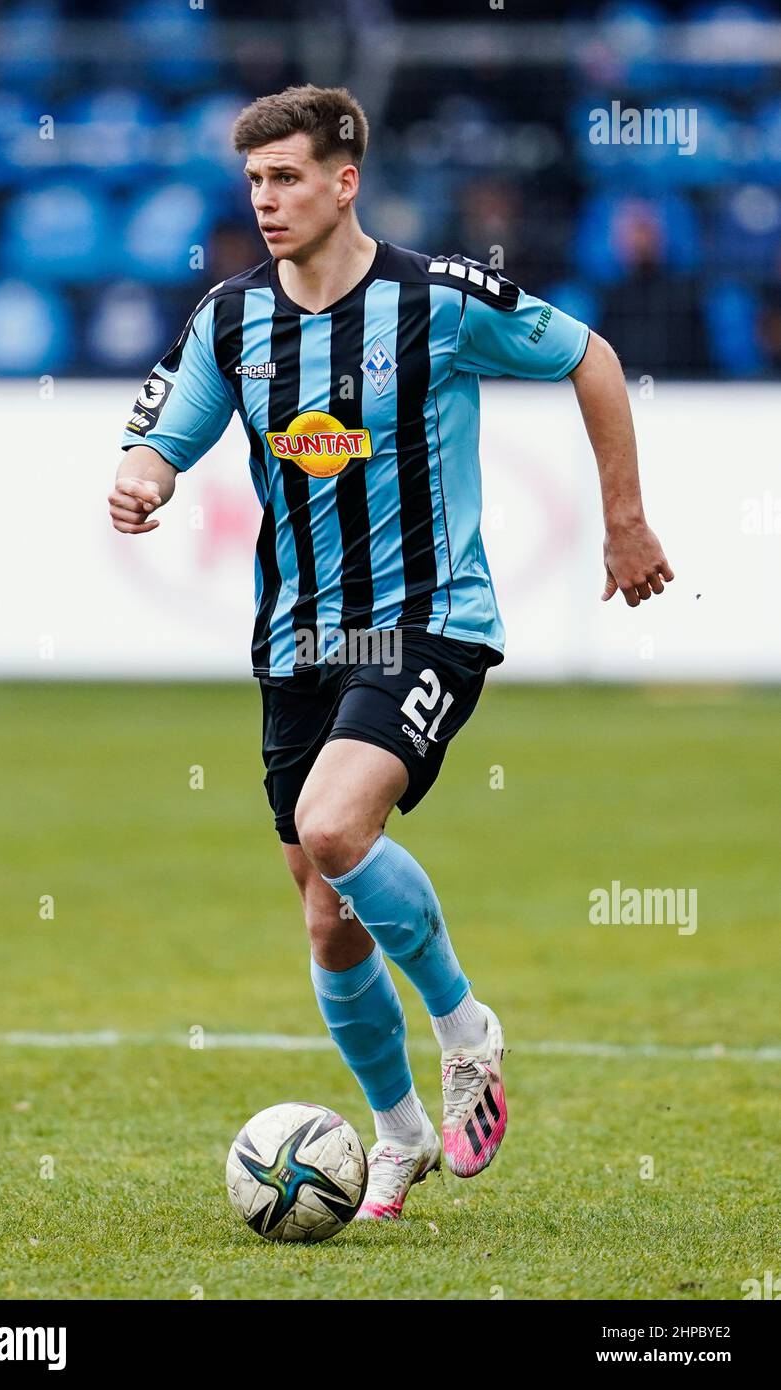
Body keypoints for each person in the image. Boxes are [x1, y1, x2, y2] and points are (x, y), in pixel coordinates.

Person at [108, 84, 674, 1221]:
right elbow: (162, 430)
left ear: (344, 179)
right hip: (298, 639)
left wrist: (622, 520)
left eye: (288, 178)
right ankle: (399, 1132)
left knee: (333, 824)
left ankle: (466, 1029)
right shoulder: (231, 317)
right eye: (254, 181)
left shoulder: (437, 299)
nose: (266, 201)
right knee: (323, 906)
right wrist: (143, 478)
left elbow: (591, 356)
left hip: (427, 619)